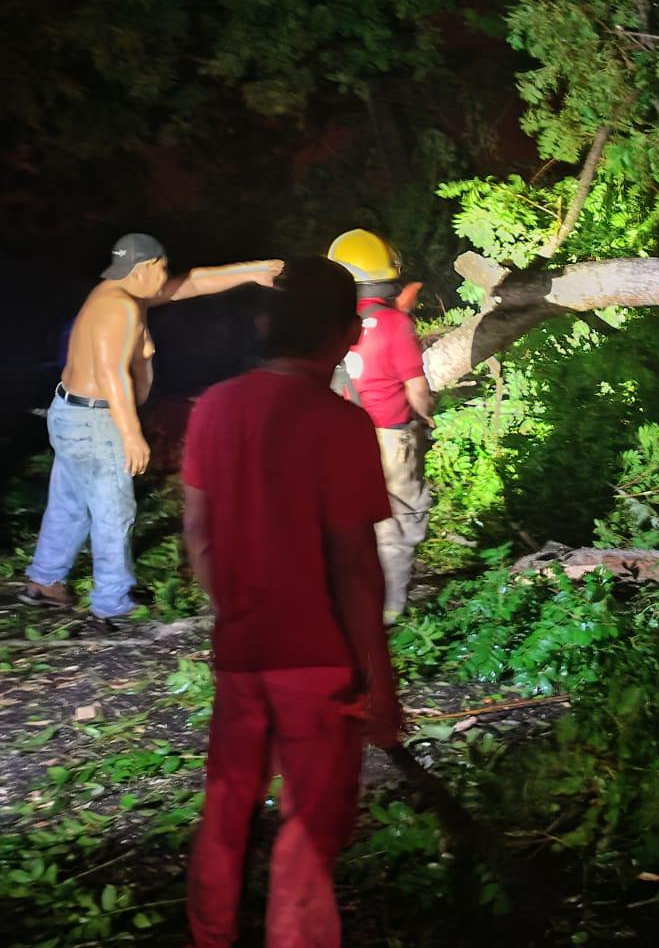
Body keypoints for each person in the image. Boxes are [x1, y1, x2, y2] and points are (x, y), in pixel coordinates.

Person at [182, 256, 402, 948]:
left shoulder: (213, 408)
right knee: (310, 824)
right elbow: (354, 567)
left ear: (266, 324)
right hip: (318, 662)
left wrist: (236, 611)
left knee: (226, 806)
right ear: (343, 335)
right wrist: (380, 675)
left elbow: (199, 537)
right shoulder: (339, 425)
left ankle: (210, 932)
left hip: (241, 652)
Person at [21, 234, 281, 620]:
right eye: (161, 269)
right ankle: (112, 602)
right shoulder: (119, 308)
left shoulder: (122, 292)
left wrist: (254, 272)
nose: (165, 278)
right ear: (143, 267)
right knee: (114, 510)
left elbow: (192, 282)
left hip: (73, 414)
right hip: (96, 419)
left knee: (70, 502)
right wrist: (131, 435)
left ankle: (44, 581)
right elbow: (112, 374)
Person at [325, 229, 434, 623]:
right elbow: (417, 389)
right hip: (390, 436)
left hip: (341, 436)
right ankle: (388, 609)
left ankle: (344, 599)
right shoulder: (393, 324)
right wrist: (426, 414)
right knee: (398, 519)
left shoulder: (329, 322)